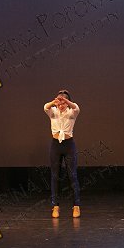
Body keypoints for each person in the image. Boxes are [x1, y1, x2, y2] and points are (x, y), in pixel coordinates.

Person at [44, 90, 81, 218]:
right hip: (56, 146)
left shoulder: (71, 113)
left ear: (67, 102)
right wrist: (54, 102)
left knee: (72, 175)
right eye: (59, 103)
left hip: (69, 145)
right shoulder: (53, 112)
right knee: (55, 176)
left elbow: (76, 107)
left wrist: (66, 101)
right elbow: (45, 107)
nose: (60, 105)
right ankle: (55, 206)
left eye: (63, 103)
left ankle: (76, 206)